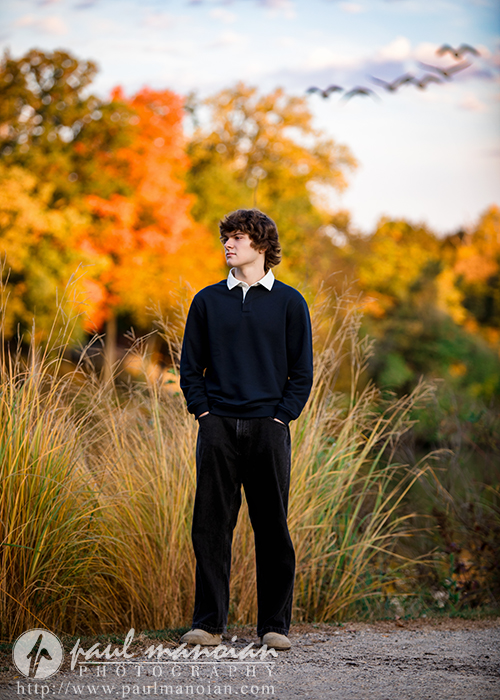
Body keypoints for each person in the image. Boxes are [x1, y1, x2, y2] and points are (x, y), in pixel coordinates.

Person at [179, 208, 313, 651]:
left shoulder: (290, 302)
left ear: (261, 246)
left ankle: (274, 627)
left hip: (268, 430)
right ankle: (208, 626)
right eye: (226, 238)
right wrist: (205, 415)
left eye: (237, 237)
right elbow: (189, 369)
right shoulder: (207, 300)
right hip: (217, 429)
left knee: (272, 526)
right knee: (211, 527)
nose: (228, 245)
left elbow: (302, 372)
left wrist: (281, 418)